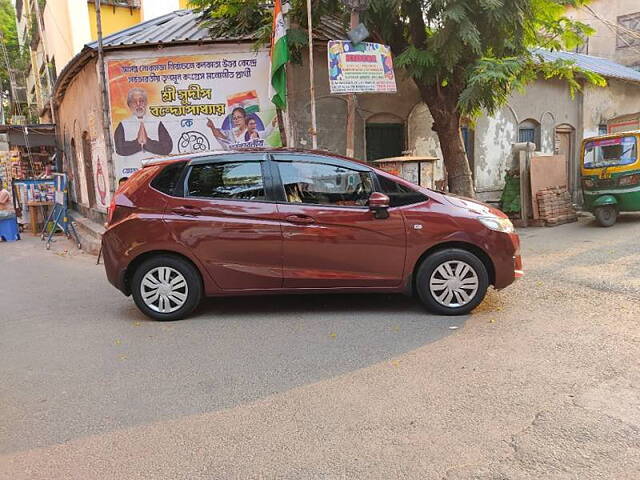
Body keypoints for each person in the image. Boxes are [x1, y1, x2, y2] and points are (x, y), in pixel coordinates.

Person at [114, 88, 173, 158]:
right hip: (130, 166)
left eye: (141, 101)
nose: (138, 104)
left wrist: (147, 142)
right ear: (129, 105)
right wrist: (137, 143)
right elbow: (119, 148)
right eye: (134, 102)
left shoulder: (156, 122)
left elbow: (167, 148)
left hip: (153, 165)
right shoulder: (123, 124)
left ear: (146, 103)